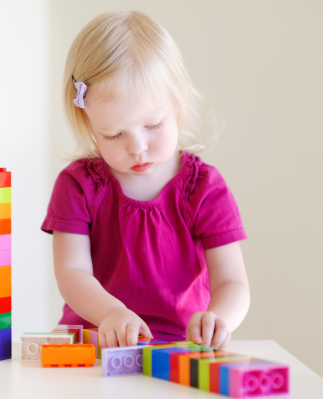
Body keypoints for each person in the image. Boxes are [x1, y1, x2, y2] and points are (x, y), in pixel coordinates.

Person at [41, 11, 250, 350]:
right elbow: (72, 273)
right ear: (89, 124)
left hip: (176, 346)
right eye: (112, 134)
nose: (137, 148)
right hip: (92, 343)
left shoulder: (204, 189)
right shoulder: (78, 185)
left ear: (177, 106)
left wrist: (219, 318)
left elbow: (232, 282)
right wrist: (111, 313)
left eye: (152, 125)